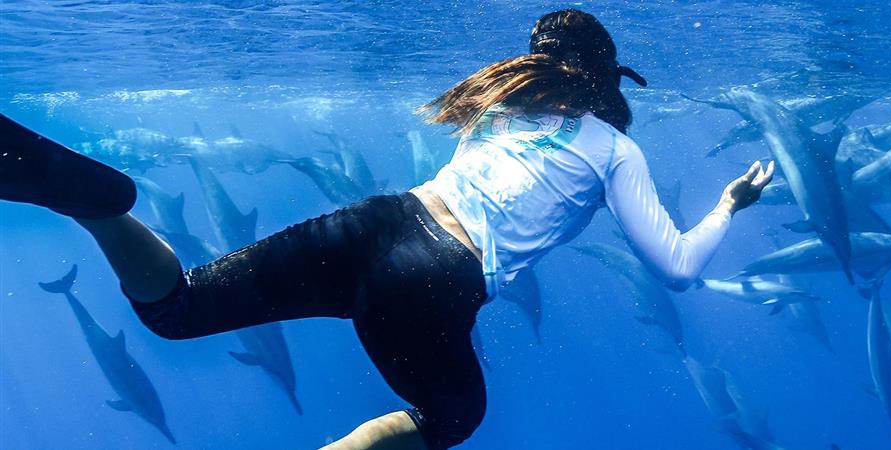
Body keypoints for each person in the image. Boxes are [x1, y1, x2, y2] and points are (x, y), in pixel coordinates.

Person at [0, 9, 774, 450]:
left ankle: (96, 206)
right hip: (438, 275)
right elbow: (677, 270)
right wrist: (727, 207)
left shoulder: (500, 103)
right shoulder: (616, 150)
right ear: (607, 77)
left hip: (377, 222)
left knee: (179, 307)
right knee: (454, 419)